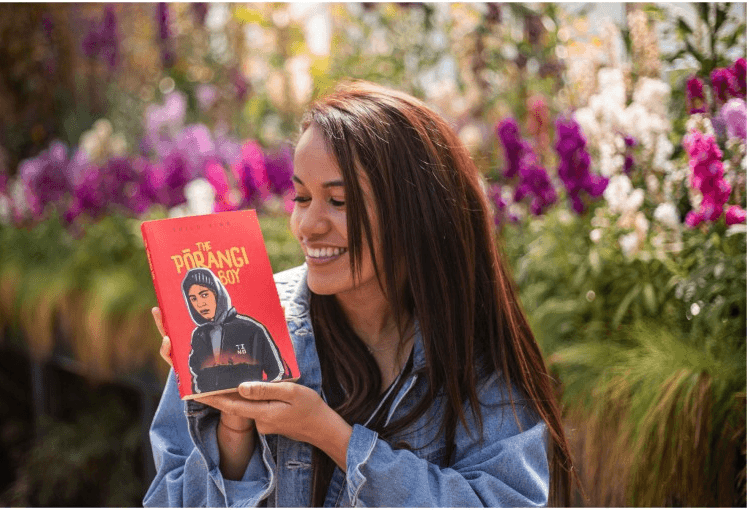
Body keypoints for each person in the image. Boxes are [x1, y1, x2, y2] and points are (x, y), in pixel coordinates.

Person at [143, 80, 579, 507]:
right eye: (301, 197)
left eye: (340, 202)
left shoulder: (473, 351)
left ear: (417, 213)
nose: (308, 226)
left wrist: (332, 436)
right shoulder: (247, 326)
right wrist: (234, 429)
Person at [182, 267, 285, 393]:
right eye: (193, 298)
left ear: (218, 294)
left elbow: (277, 372)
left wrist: (261, 398)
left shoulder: (251, 329)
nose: (200, 304)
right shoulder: (199, 335)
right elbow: (196, 374)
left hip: (252, 406)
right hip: (214, 409)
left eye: (204, 295)